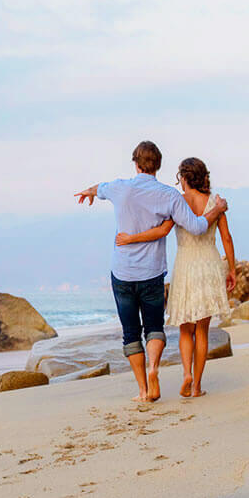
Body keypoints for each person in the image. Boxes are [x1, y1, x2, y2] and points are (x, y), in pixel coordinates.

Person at [74, 142, 227, 403]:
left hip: (122, 272)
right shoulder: (169, 196)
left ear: (135, 163)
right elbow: (198, 227)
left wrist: (89, 192)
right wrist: (217, 209)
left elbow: (99, 188)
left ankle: (144, 390)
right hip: (152, 273)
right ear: (158, 165)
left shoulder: (120, 187)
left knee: (130, 332)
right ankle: (154, 367)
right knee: (154, 328)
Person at [115, 157, 236, 398]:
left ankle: (186, 375)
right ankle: (197, 386)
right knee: (202, 330)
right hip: (209, 265)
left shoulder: (177, 202)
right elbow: (227, 238)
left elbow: (161, 231)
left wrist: (130, 239)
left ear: (183, 178)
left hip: (185, 266)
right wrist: (232, 269)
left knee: (185, 329)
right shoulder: (217, 203)